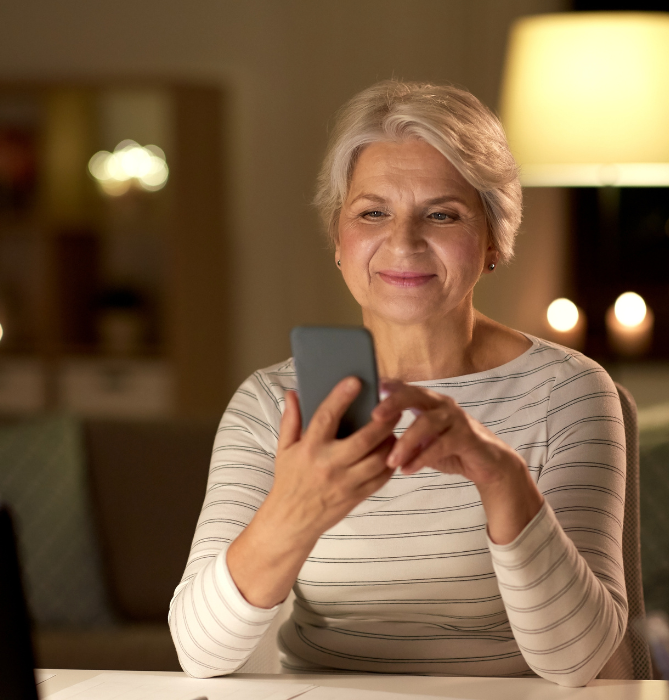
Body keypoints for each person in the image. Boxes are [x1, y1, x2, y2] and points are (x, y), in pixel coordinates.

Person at [168, 80, 628, 686]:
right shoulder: (267, 406)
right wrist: (295, 510)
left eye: (442, 214)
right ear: (339, 238)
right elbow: (202, 656)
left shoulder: (568, 392)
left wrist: (502, 478)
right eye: (373, 212)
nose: (403, 241)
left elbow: (577, 662)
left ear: (493, 239)